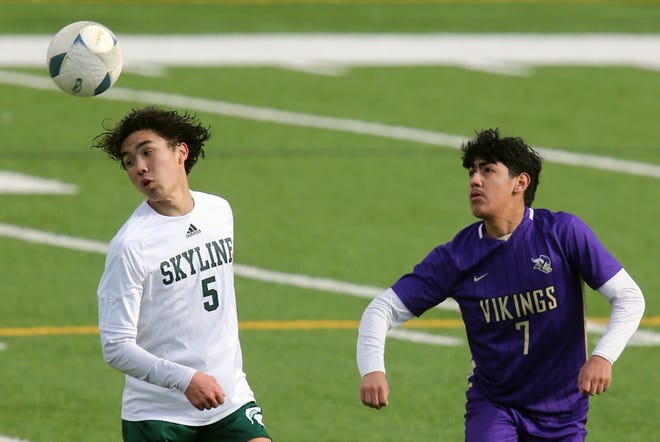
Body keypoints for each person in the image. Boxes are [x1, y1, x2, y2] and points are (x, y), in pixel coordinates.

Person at [356, 128, 645, 441]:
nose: (475, 180)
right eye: (472, 171)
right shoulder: (456, 257)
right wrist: (373, 369)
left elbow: (629, 297)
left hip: (563, 411)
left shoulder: (563, 233)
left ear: (520, 183)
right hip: (495, 406)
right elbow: (381, 309)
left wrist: (603, 356)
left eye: (488, 170)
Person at [93, 106, 271, 442]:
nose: (139, 167)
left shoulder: (219, 211)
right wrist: (186, 379)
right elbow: (116, 346)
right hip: (158, 415)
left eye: (147, 152)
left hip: (228, 398)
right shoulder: (131, 245)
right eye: (129, 161)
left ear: (180, 152)